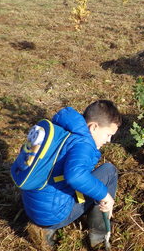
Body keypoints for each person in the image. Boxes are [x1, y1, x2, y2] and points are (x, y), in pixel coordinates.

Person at [24, 100, 121, 250]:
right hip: (51, 216)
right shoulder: (84, 144)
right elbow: (75, 176)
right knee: (109, 172)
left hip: (32, 206)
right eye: (108, 134)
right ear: (94, 127)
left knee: (89, 179)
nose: (109, 140)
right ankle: (100, 236)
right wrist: (105, 196)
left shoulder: (61, 128)